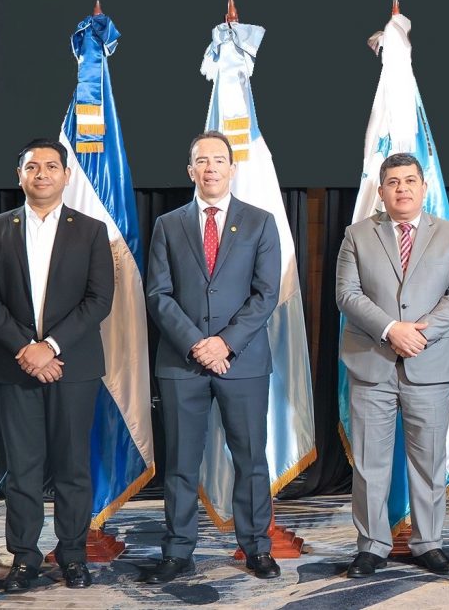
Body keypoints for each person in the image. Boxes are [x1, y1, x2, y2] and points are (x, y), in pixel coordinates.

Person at [0, 139, 114, 591]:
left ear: (66, 175)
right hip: (13, 367)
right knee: (23, 469)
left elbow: (99, 300)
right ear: (20, 176)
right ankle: (24, 557)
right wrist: (25, 349)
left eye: (52, 166)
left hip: (74, 366)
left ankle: (73, 555)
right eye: (32, 166)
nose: (42, 174)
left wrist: (49, 347)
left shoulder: (91, 230)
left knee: (73, 467)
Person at [145, 131, 281, 582]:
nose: (210, 168)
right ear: (191, 170)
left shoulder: (260, 222)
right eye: (202, 161)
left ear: (232, 168)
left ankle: (256, 547)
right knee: (181, 464)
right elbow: (158, 294)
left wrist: (224, 343)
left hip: (242, 362)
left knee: (250, 459)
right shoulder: (168, 225)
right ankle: (177, 551)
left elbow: (266, 294)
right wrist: (196, 344)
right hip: (181, 363)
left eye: (219, 160)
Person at [335, 153, 449, 578]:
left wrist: (419, 333)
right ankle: (371, 546)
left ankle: (429, 542)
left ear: (423, 187)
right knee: (369, 464)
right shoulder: (357, 235)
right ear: (381, 191)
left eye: (410, 180)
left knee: (429, 462)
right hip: (371, 363)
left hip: (429, 363)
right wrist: (391, 329)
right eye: (393, 182)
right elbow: (347, 294)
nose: (402, 189)